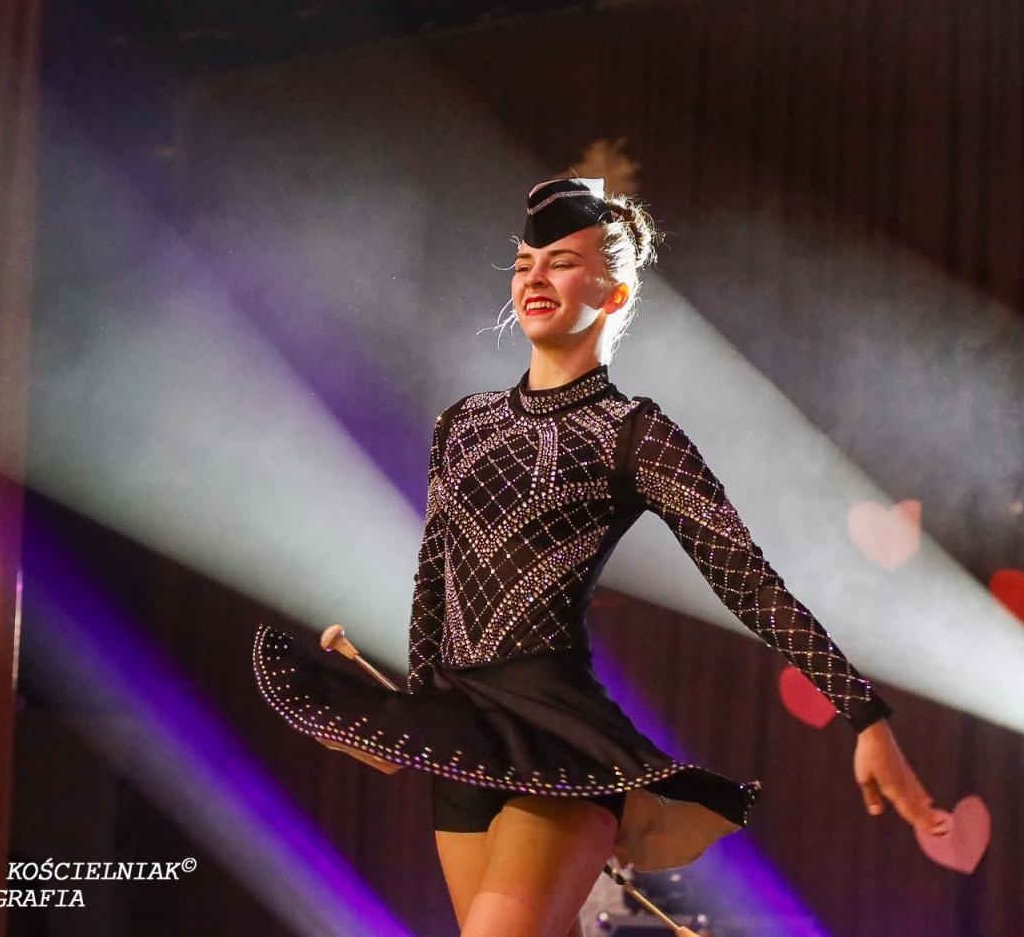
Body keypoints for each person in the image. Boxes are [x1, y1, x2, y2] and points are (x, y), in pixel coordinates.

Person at [253, 177, 949, 937]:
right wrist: (412, 722)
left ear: (614, 295)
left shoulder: (635, 433)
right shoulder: (462, 424)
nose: (534, 278)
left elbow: (749, 582)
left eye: (560, 261)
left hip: (557, 741)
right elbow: (434, 587)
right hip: (461, 734)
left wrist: (866, 718)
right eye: (523, 264)